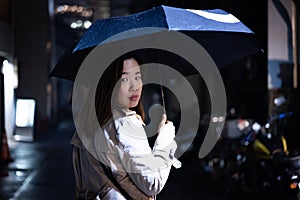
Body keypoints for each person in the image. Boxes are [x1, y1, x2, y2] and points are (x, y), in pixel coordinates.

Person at [70, 51, 180, 200]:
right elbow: (153, 183)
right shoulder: (126, 124)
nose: (134, 86)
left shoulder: (88, 126)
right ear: (109, 83)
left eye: (137, 77)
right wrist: (165, 137)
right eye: (124, 79)